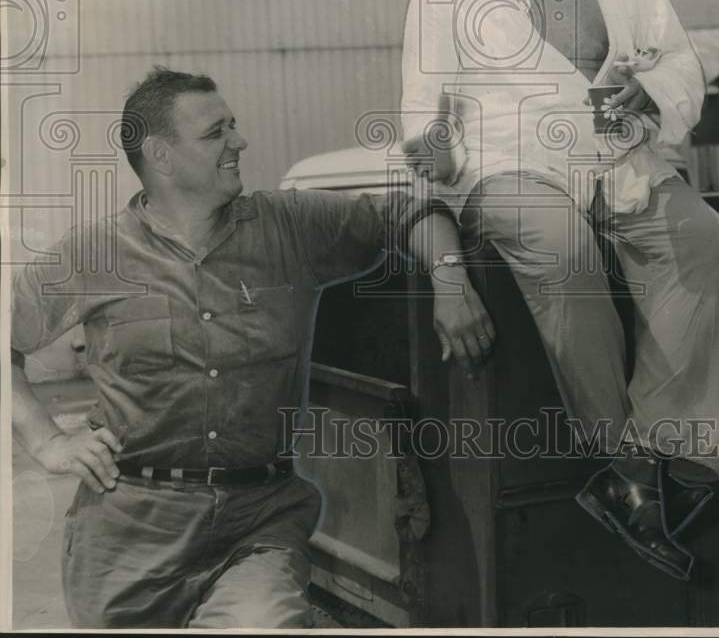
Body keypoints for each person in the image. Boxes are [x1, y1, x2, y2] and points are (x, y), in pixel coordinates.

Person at [11, 66, 494, 629]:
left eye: (233, 126)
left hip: (256, 525)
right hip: (127, 541)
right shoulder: (91, 255)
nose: (239, 141)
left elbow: (409, 209)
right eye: (216, 133)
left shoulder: (288, 227)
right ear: (161, 156)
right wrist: (46, 440)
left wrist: (452, 279)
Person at [400, 0, 719, 580]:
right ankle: (622, 466)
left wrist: (647, 96)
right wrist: (430, 150)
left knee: (706, 243)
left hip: (618, 161)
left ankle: (675, 467)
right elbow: (420, 113)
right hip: (505, 169)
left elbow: (676, 62)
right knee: (559, 249)